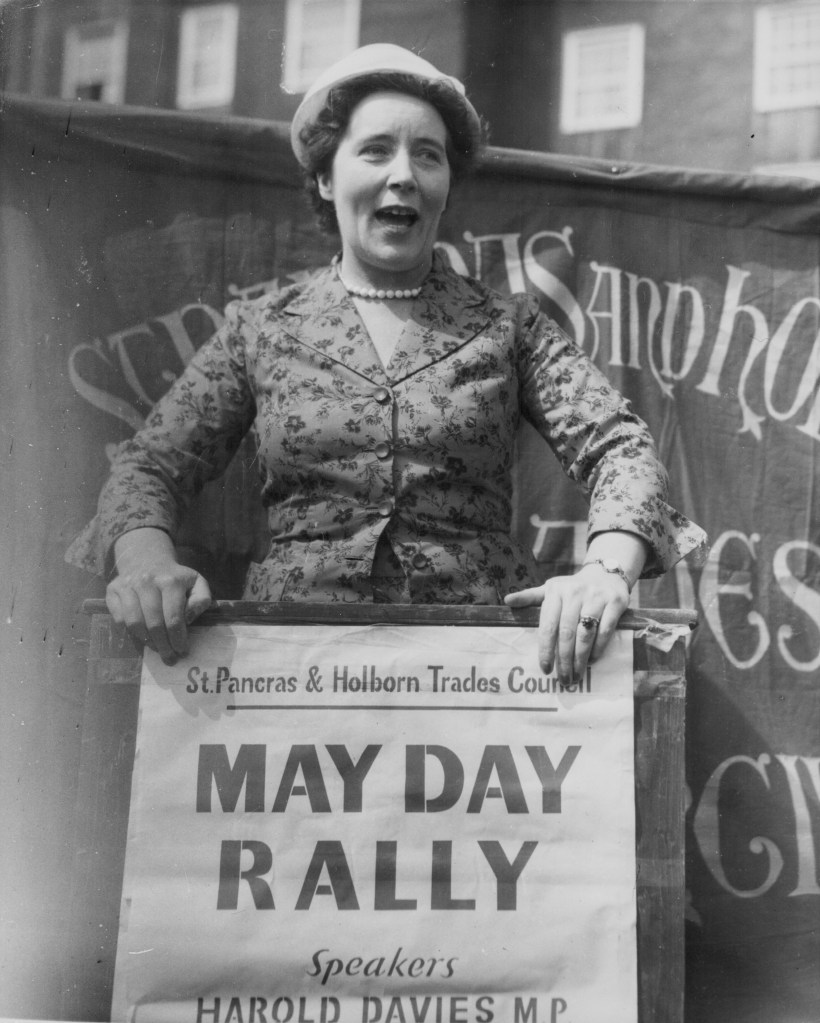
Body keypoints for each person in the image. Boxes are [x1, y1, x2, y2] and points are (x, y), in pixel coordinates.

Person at [68, 44, 706, 682]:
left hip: (483, 677)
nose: (404, 173)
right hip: (290, 675)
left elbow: (620, 447)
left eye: (427, 155)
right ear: (325, 178)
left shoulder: (511, 327)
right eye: (375, 150)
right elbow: (147, 467)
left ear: (446, 186)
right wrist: (145, 561)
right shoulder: (259, 330)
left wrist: (606, 571)